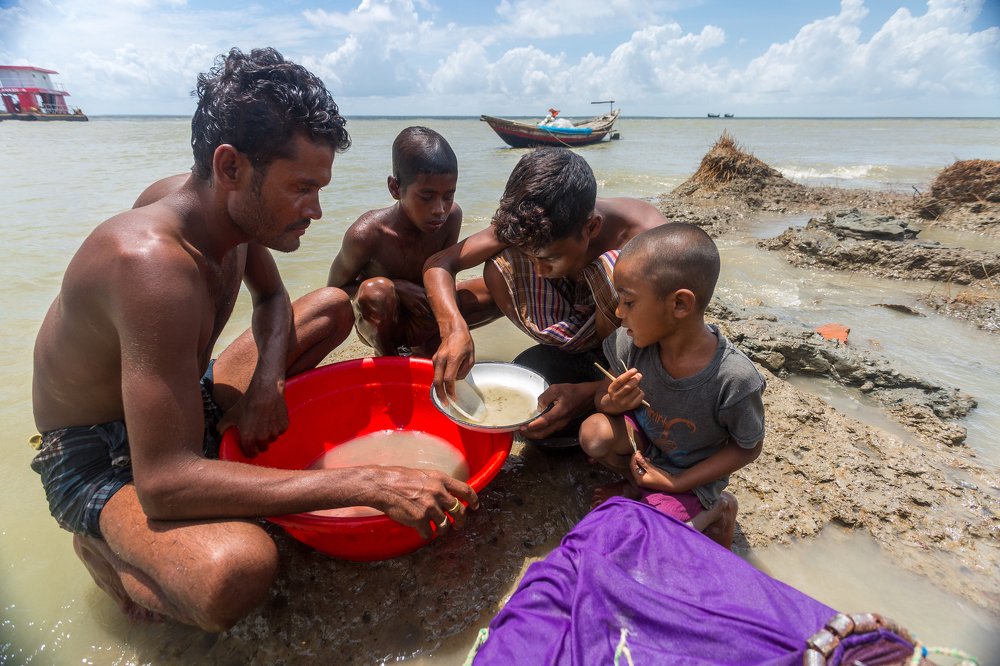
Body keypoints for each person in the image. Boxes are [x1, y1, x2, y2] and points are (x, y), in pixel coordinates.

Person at [29, 47, 478, 632]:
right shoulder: (150, 267)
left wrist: (267, 380)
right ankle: (107, 551)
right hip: (103, 459)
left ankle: (221, 455)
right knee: (237, 569)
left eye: (320, 188)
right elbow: (163, 482)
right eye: (302, 188)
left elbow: (271, 300)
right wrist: (368, 482)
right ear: (231, 167)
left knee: (330, 307)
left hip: (183, 398)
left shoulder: (216, 209)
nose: (317, 209)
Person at [423, 147, 667, 442]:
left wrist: (589, 394)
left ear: (591, 228)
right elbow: (439, 263)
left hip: (630, 336)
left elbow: (676, 352)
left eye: (549, 258)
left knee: (616, 271)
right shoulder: (535, 216)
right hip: (578, 323)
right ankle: (578, 359)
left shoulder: (650, 244)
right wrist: (454, 330)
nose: (538, 271)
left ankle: (602, 370)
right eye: (533, 258)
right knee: (501, 262)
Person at [578, 223, 765, 549]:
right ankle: (636, 486)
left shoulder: (734, 378)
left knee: (664, 541)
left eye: (629, 302)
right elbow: (600, 399)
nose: (619, 313)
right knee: (593, 434)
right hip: (648, 447)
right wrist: (611, 402)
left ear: (680, 304)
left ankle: (719, 507)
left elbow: (748, 446)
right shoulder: (630, 343)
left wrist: (678, 482)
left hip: (694, 473)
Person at [327, 126, 496, 357]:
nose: (440, 210)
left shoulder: (451, 217)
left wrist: (448, 329)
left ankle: (427, 344)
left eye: (449, 195)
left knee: (500, 286)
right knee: (377, 291)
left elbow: (445, 273)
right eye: (426, 197)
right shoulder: (366, 234)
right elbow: (334, 293)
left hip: (425, 314)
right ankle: (388, 357)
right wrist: (397, 286)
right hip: (383, 323)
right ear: (395, 188)